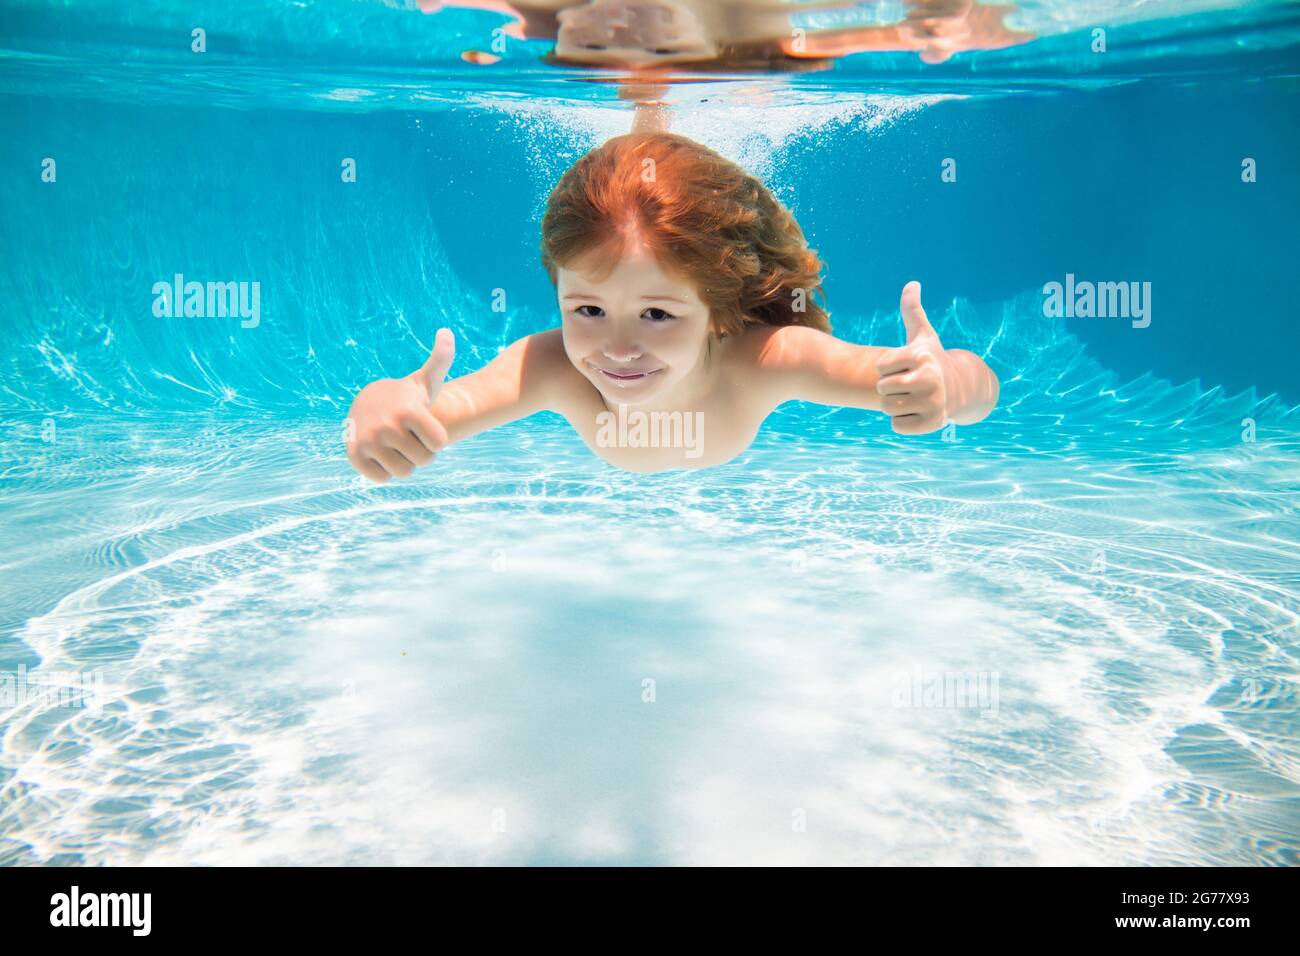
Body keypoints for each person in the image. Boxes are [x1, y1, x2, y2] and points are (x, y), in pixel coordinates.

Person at [344, 131, 999, 478]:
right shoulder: (549, 367)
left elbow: (975, 387)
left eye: (657, 314)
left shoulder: (766, 359)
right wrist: (382, 409)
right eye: (588, 311)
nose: (617, 349)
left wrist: (950, 386)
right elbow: (435, 413)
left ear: (718, 308)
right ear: (558, 294)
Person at [418, 0, 1035, 68]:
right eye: (662, 45)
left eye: (593, 43)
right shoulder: (775, 23)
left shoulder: (541, 10)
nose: (620, 28)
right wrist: (950, 23)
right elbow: (1003, 26)